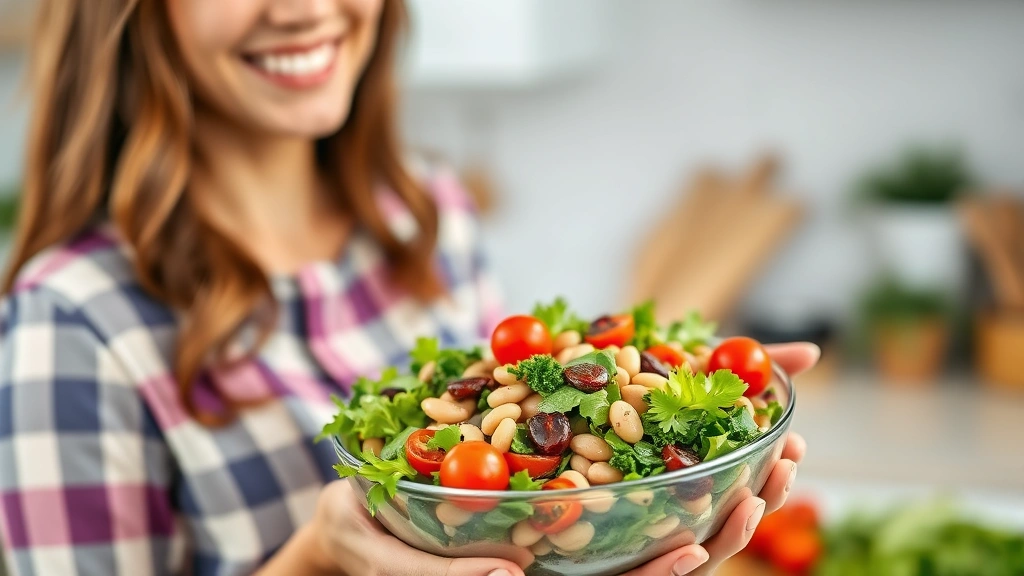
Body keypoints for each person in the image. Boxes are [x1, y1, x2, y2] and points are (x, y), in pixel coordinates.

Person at [0, 1, 815, 575]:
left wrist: (626, 527)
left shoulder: (424, 215)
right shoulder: (67, 319)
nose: (306, 7)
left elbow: (515, 494)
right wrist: (322, 557)